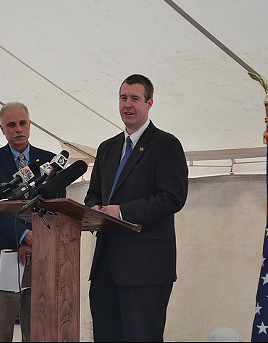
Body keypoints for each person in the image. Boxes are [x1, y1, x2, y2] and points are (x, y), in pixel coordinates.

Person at [85, 74, 189, 342]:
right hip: (106, 268)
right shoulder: (107, 148)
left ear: (149, 103)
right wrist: (93, 207)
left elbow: (173, 197)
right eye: (123, 98)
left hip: (145, 270)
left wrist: (121, 212)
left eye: (135, 98)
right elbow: (94, 193)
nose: (127, 105)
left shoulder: (166, 145)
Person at [0, 102, 57, 342]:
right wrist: (23, 236)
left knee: (38, 333)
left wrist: (34, 239)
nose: (18, 129)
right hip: (0, 259)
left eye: (22, 123)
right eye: (11, 125)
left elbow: (54, 208)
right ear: (2, 129)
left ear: (30, 125)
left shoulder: (50, 161)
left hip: (41, 258)